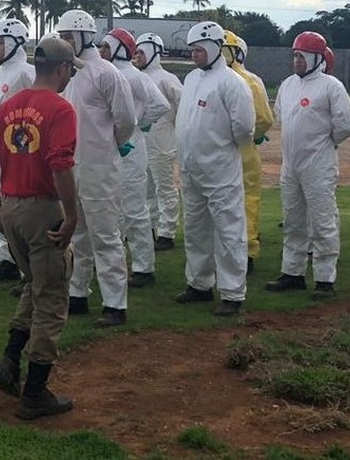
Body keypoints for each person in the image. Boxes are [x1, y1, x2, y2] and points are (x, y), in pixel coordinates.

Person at [0, 36, 81, 420]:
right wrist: (70, 216)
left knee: (33, 286)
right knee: (52, 297)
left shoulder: (10, 105)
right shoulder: (60, 108)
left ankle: (9, 360)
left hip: (11, 208)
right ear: (61, 69)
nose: (70, 75)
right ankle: (35, 392)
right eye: (69, 69)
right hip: (42, 209)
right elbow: (60, 163)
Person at [57, 9, 137, 328]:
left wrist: (106, 146)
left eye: (67, 38)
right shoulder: (70, 76)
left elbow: (126, 120)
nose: (64, 43)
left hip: (100, 168)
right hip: (72, 168)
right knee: (77, 234)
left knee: (105, 236)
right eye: (60, 38)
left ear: (83, 37)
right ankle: (77, 293)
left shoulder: (106, 73)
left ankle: (115, 303)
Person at [266, 32, 350, 299]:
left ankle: (325, 279)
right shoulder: (287, 85)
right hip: (290, 164)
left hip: (319, 165)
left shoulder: (331, 86)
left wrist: (327, 143)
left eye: (301, 55)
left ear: (316, 58)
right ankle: (292, 273)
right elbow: (281, 116)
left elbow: (347, 125)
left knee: (322, 221)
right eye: (294, 55)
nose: (296, 60)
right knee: (293, 221)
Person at [174, 21, 255, 317]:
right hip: (191, 169)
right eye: (192, 49)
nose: (194, 54)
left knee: (229, 230)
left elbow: (244, 128)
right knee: (195, 229)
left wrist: (220, 149)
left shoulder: (232, 83)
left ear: (213, 47)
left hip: (220, 169)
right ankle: (199, 284)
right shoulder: (193, 78)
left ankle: (233, 292)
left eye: (198, 49)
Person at [99, 28, 168, 288]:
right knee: (111, 209)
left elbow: (161, 105)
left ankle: (143, 267)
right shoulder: (107, 74)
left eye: (106, 47)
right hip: (110, 148)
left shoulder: (135, 77)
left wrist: (139, 124)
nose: (102, 51)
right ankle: (113, 263)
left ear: (119, 49)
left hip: (130, 148)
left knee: (134, 209)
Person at [0, 18, 35, 281]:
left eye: (0, 43)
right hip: (1, 144)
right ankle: (8, 256)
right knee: (3, 198)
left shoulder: (26, 71)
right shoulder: (0, 72)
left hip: (21, 146)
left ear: (15, 43)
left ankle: (21, 259)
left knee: (16, 201)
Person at [221, 31, 274, 275]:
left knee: (233, 200)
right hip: (243, 149)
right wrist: (254, 134)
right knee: (245, 200)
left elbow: (263, 119)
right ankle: (245, 251)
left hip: (225, 151)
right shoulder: (250, 80)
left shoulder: (208, 78)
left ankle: (235, 250)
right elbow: (263, 119)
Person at [134, 33, 182, 252]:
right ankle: (151, 227)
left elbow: (183, 105)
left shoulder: (166, 78)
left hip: (163, 141)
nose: (138, 56)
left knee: (165, 187)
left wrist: (174, 126)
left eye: (142, 52)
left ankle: (167, 231)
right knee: (146, 189)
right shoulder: (139, 77)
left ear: (154, 52)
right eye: (136, 52)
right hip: (144, 142)